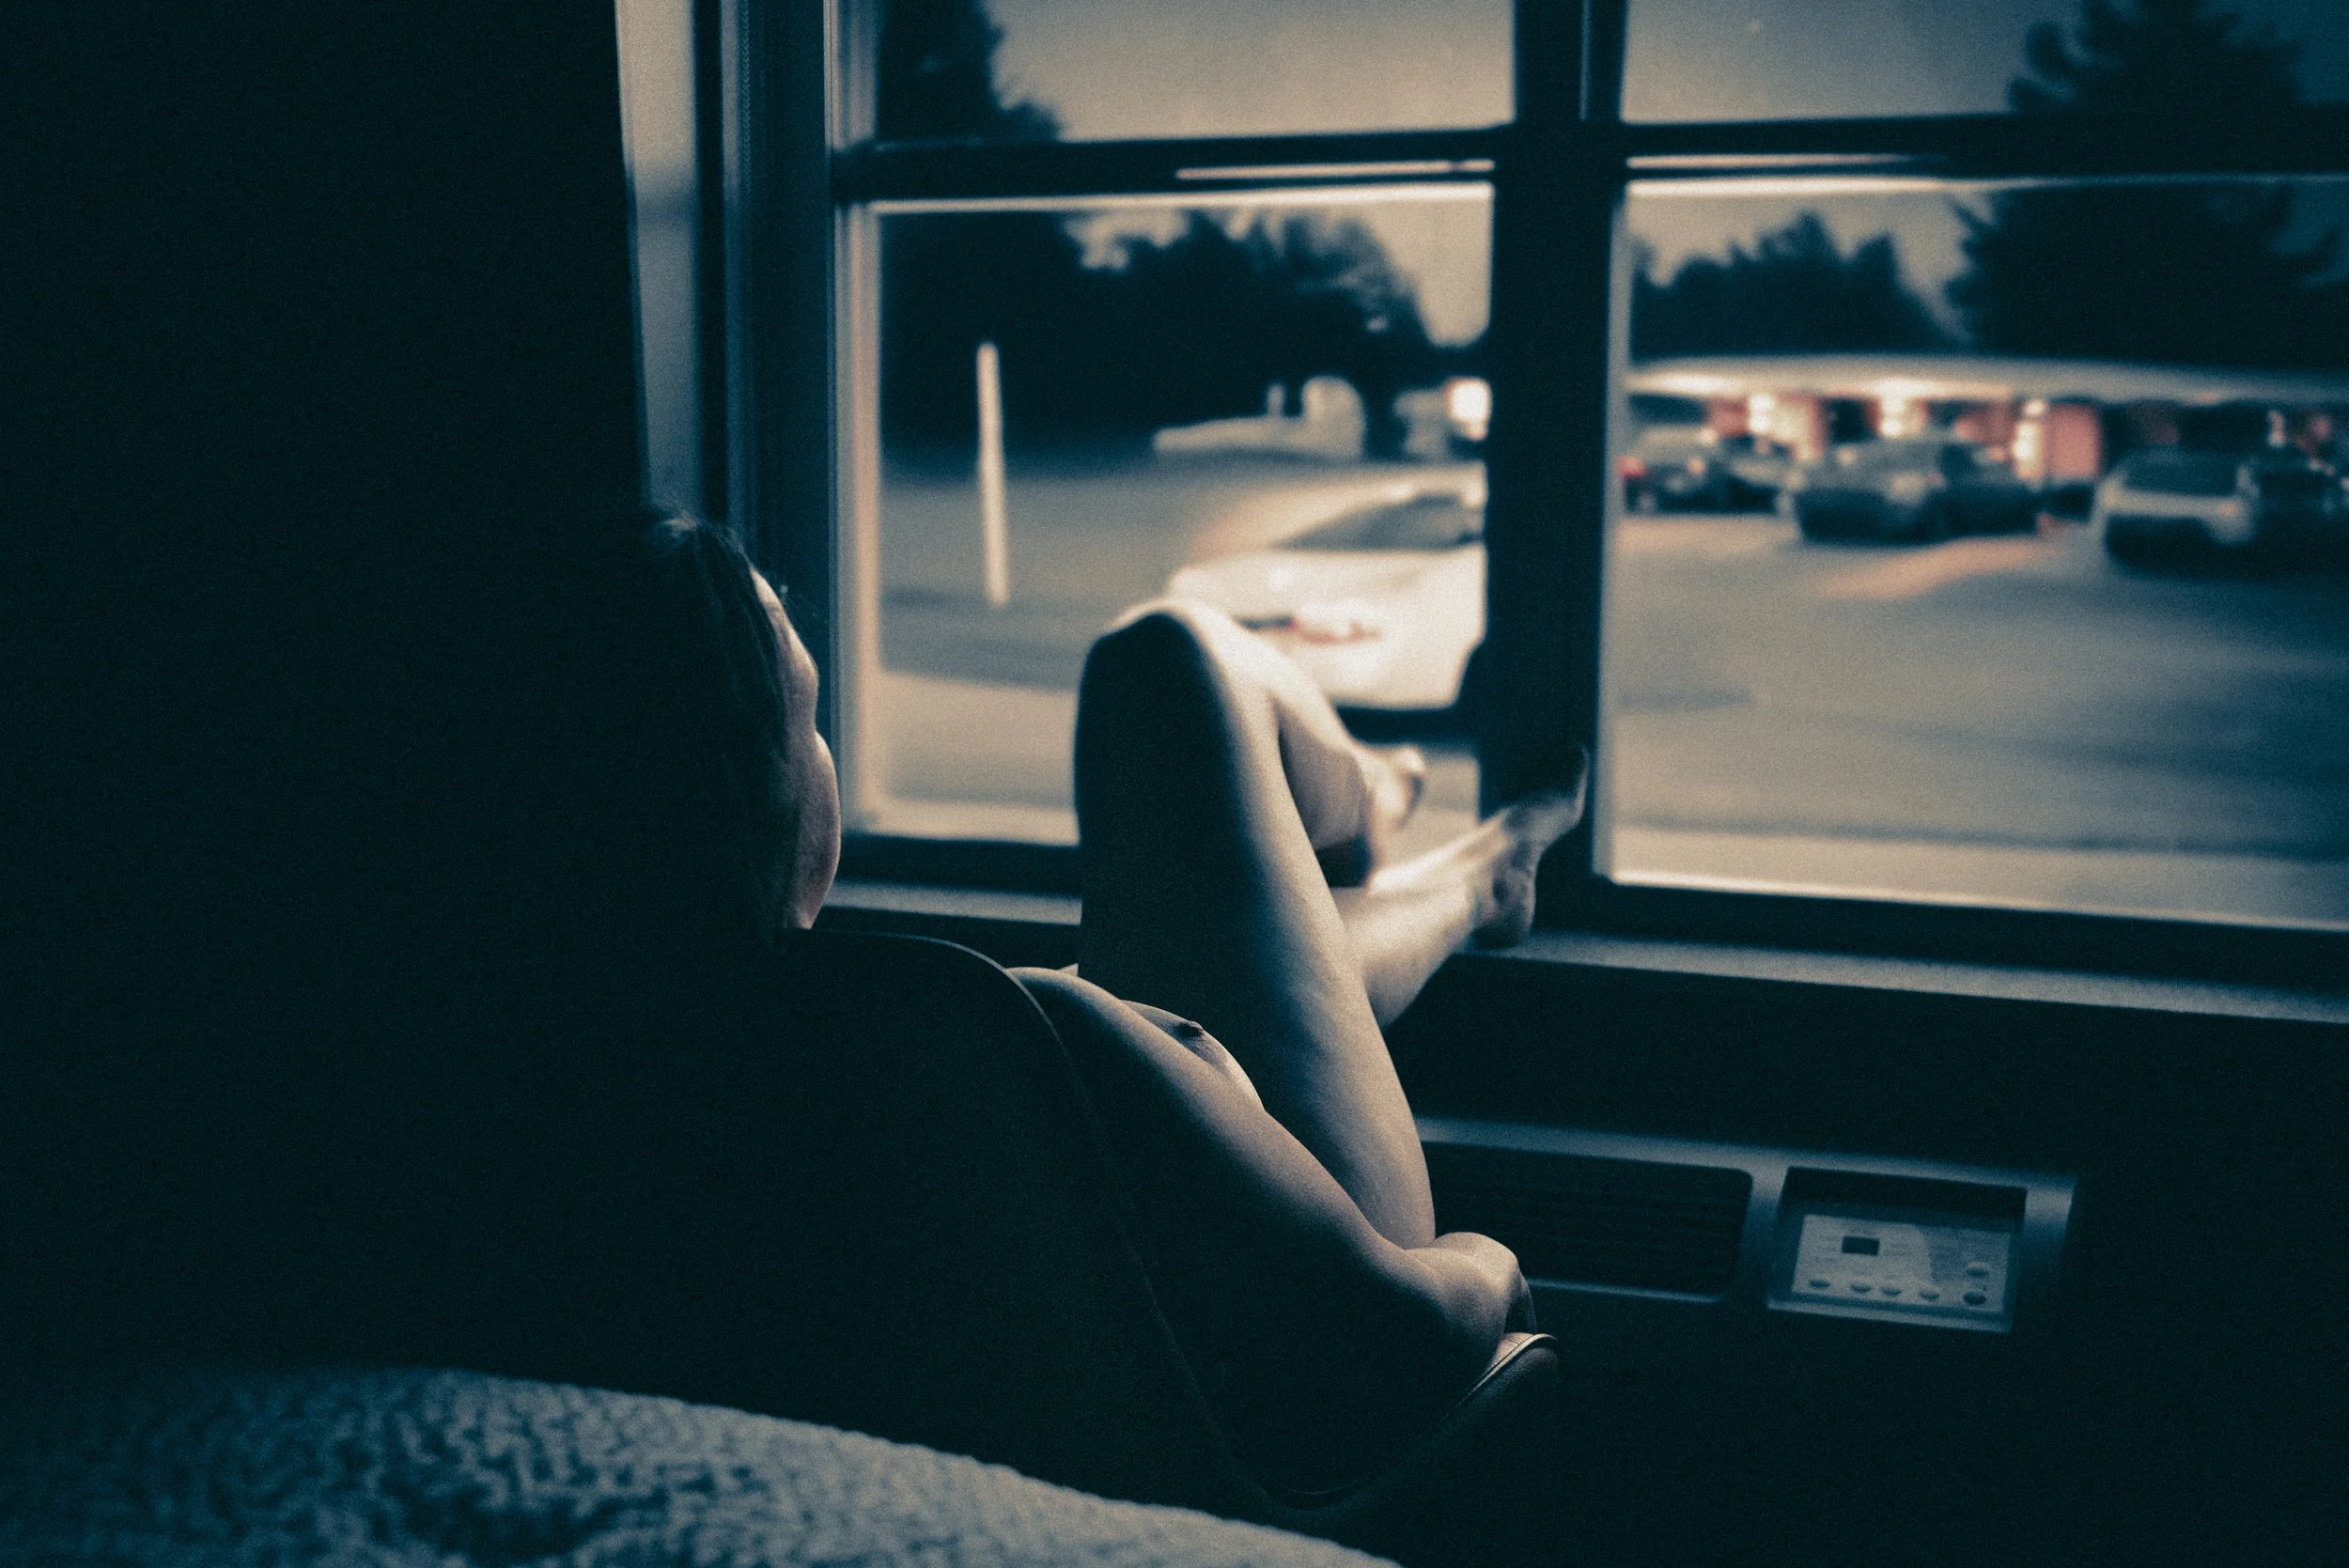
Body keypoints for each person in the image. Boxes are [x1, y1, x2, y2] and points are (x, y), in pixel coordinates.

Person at [656, 511, 1585, 1489]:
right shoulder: (1005, 1042)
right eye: (809, 722)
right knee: (1169, 657)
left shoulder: (540, 1087)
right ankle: (1414, 838)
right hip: (1259, 1454)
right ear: (768, 785)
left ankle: (1460, 868)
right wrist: (1493, 1259)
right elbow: (1401, 1337)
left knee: (1176, 690)